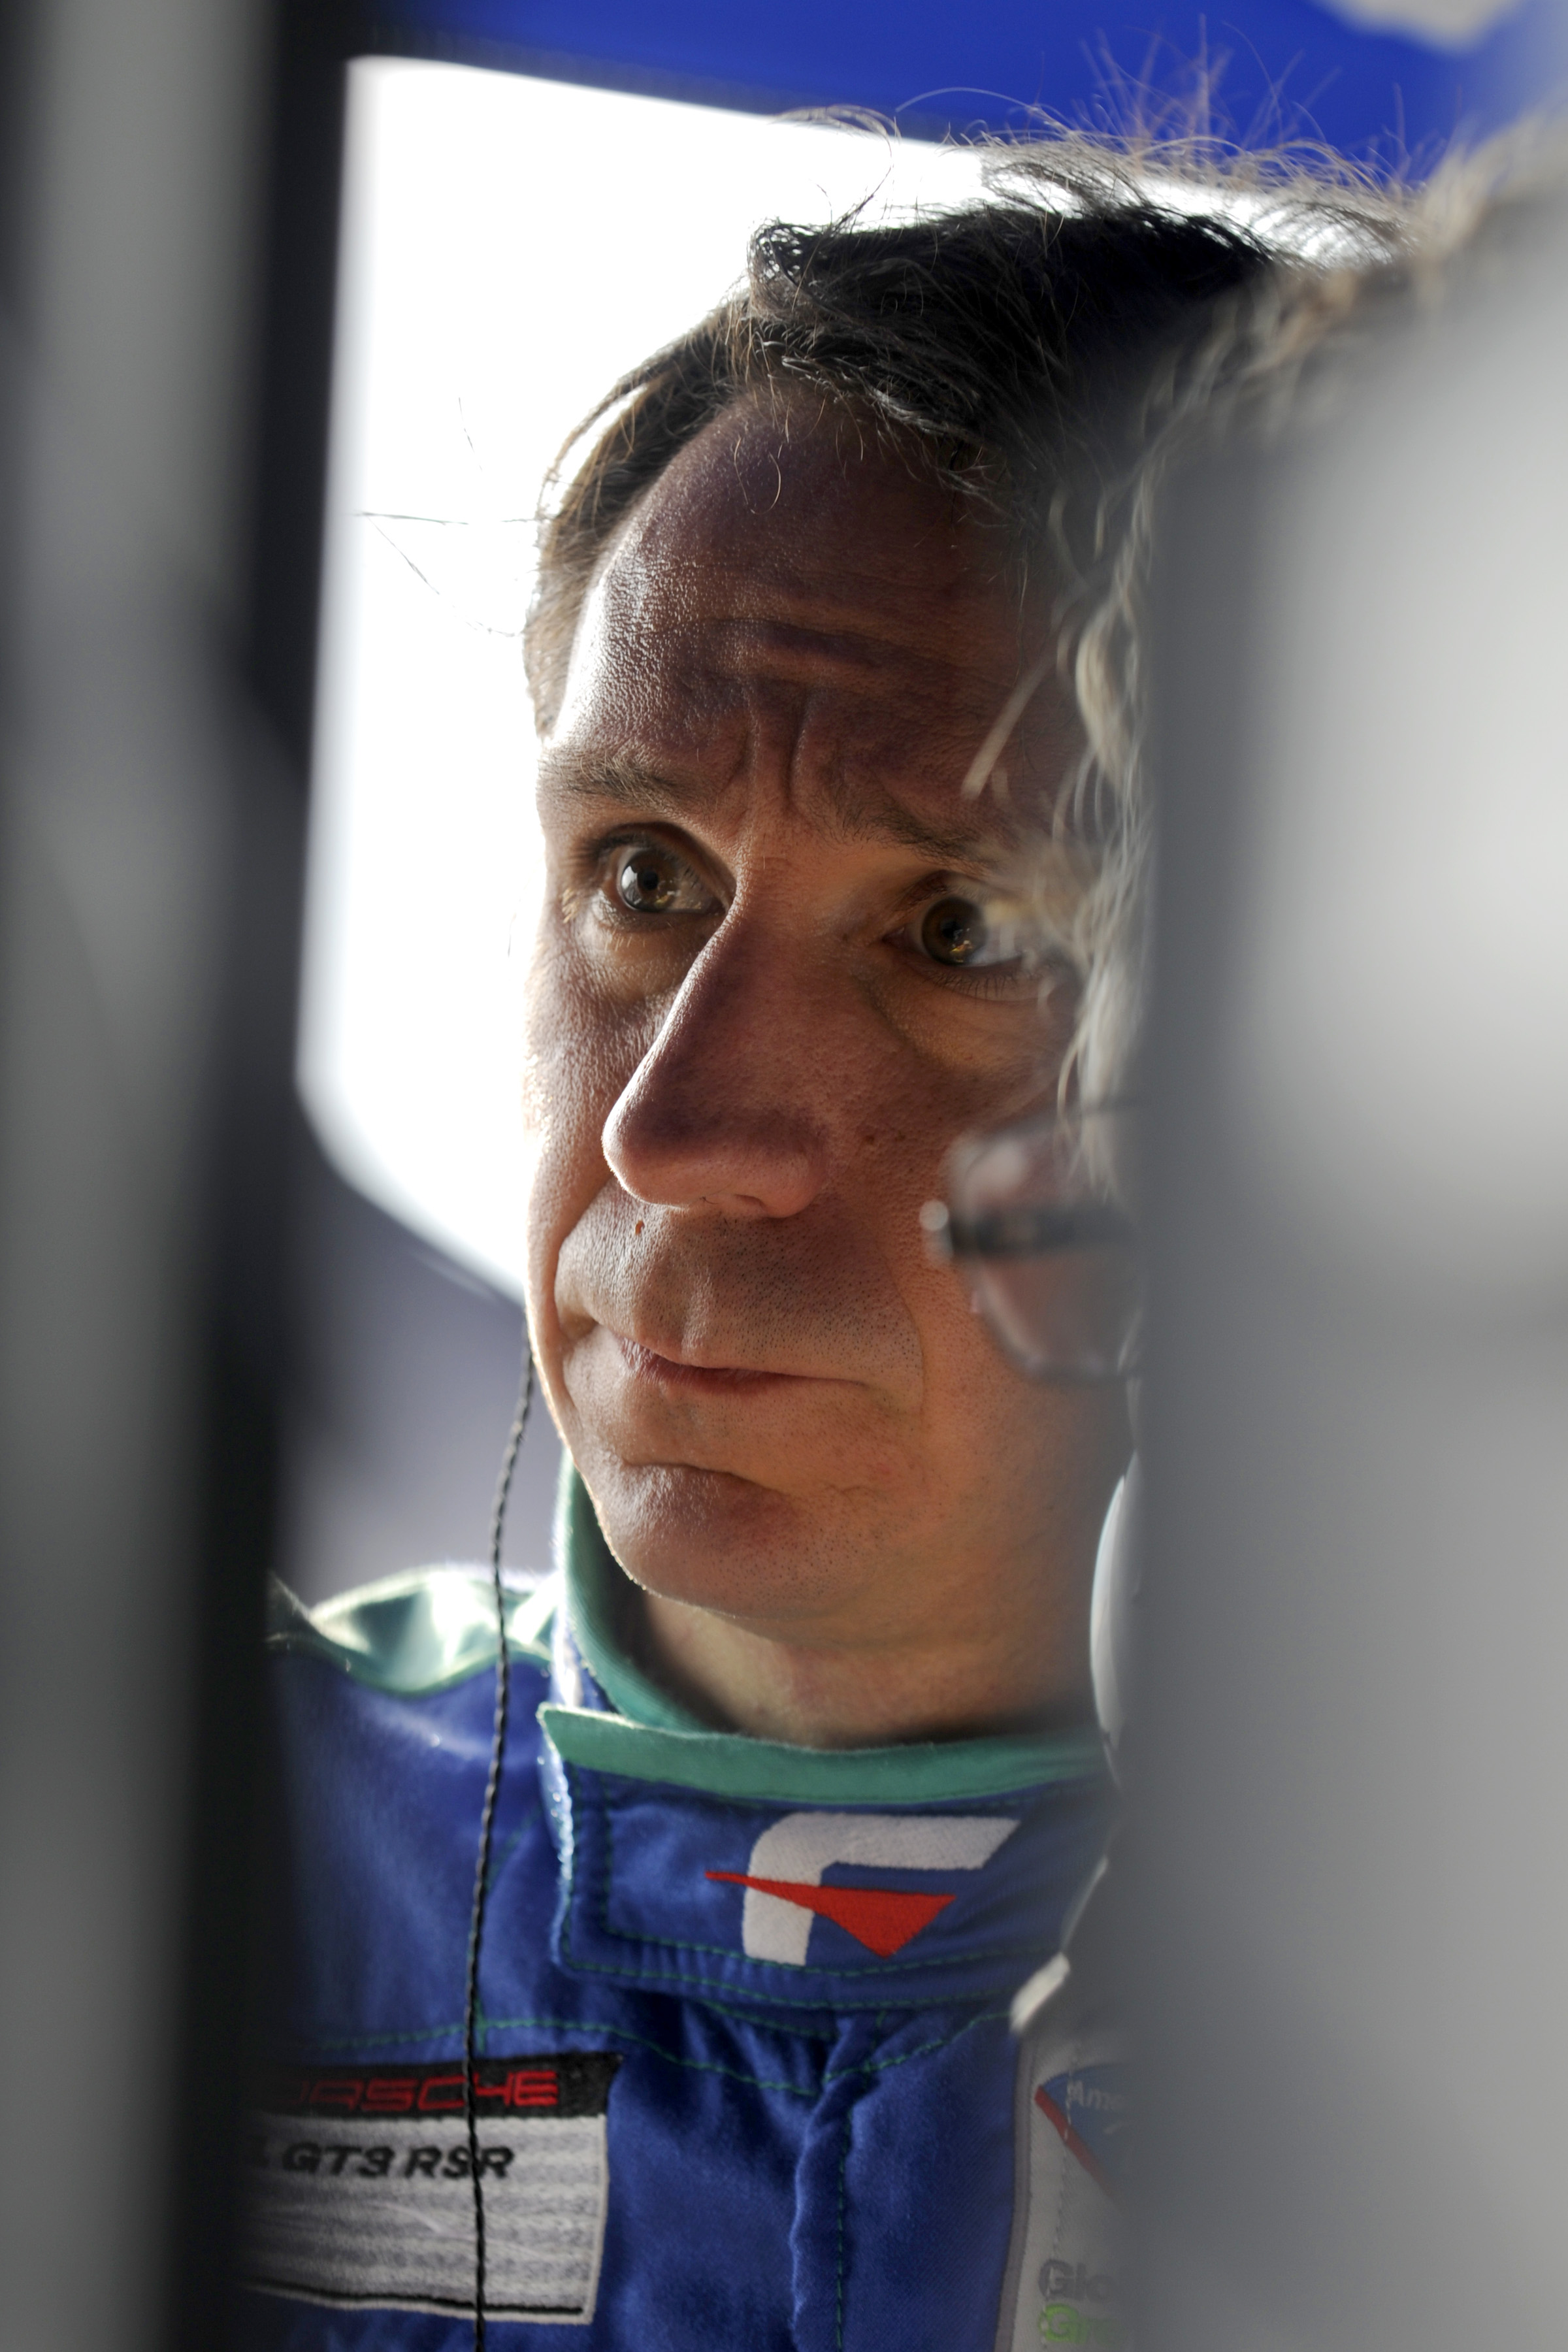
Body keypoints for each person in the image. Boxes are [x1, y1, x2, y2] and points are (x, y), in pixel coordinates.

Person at [239, 132, 1410, 2351]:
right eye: (644, 877)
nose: (676, 1129)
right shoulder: (162, 1829)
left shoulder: (1480, 1985)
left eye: (961, 930)